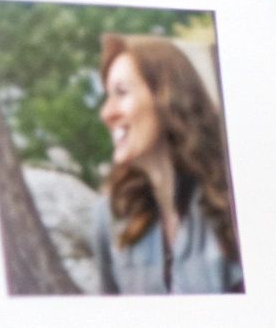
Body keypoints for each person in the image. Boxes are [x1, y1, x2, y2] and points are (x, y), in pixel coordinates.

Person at [91, 33, 243, 295]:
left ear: (167, 98)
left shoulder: (234, 201)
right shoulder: (110, 216)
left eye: (122, 93)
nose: (107, 113)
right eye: (108, 96)